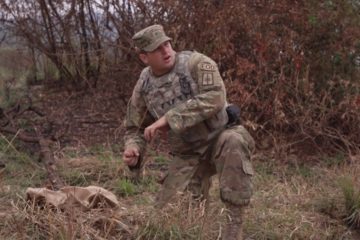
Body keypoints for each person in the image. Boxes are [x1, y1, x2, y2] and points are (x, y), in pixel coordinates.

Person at [123, 24, 255, 240]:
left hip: (219, 139)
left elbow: (215, 97)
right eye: (158, 49)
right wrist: (133, 148)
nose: (166, 51)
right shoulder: (144, 85)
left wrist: (170, 118)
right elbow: (134, 128)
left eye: (167, 44)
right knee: (168, 222)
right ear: (144, 58)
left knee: (233, 141)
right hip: (187, 155)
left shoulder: (196, 63)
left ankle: (234, 227)